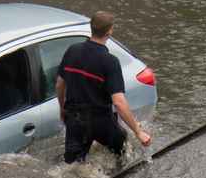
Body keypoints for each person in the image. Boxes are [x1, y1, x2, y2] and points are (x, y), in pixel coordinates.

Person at [55, 11, 151, 163]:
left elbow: (60, 83)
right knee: (124, 151)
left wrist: (62, 108)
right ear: (110, 31)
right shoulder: (110, 61)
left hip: (75, 119)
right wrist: (138, 132)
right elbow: (119, 102)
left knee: (72, 164)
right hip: (100, 121)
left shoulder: (72, 51)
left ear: (91, 28)